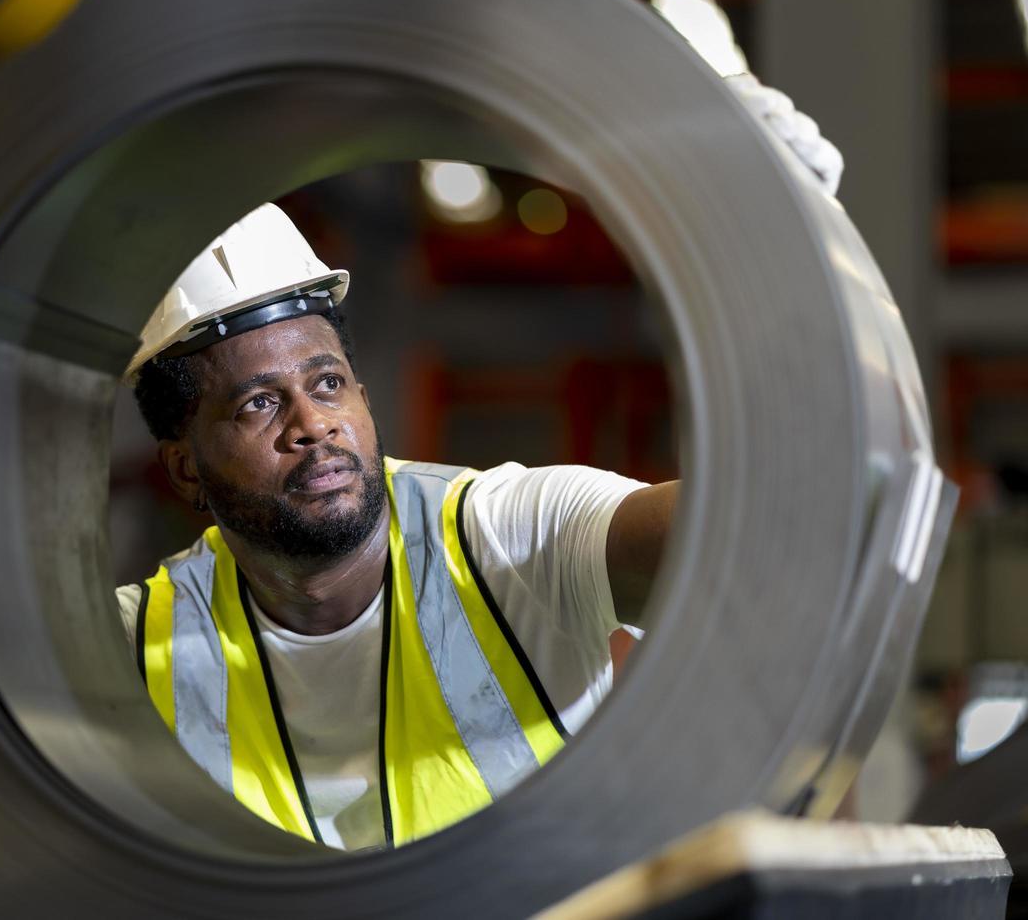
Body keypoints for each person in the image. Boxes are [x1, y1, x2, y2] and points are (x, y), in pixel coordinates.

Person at [116, 79, 841, 851]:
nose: (313, 425)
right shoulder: (129, 650)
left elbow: (767, 531)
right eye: (258, 405)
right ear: (186, 469)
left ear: (362, 394)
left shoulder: (509, 541)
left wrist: (789, 269)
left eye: (327, 384)